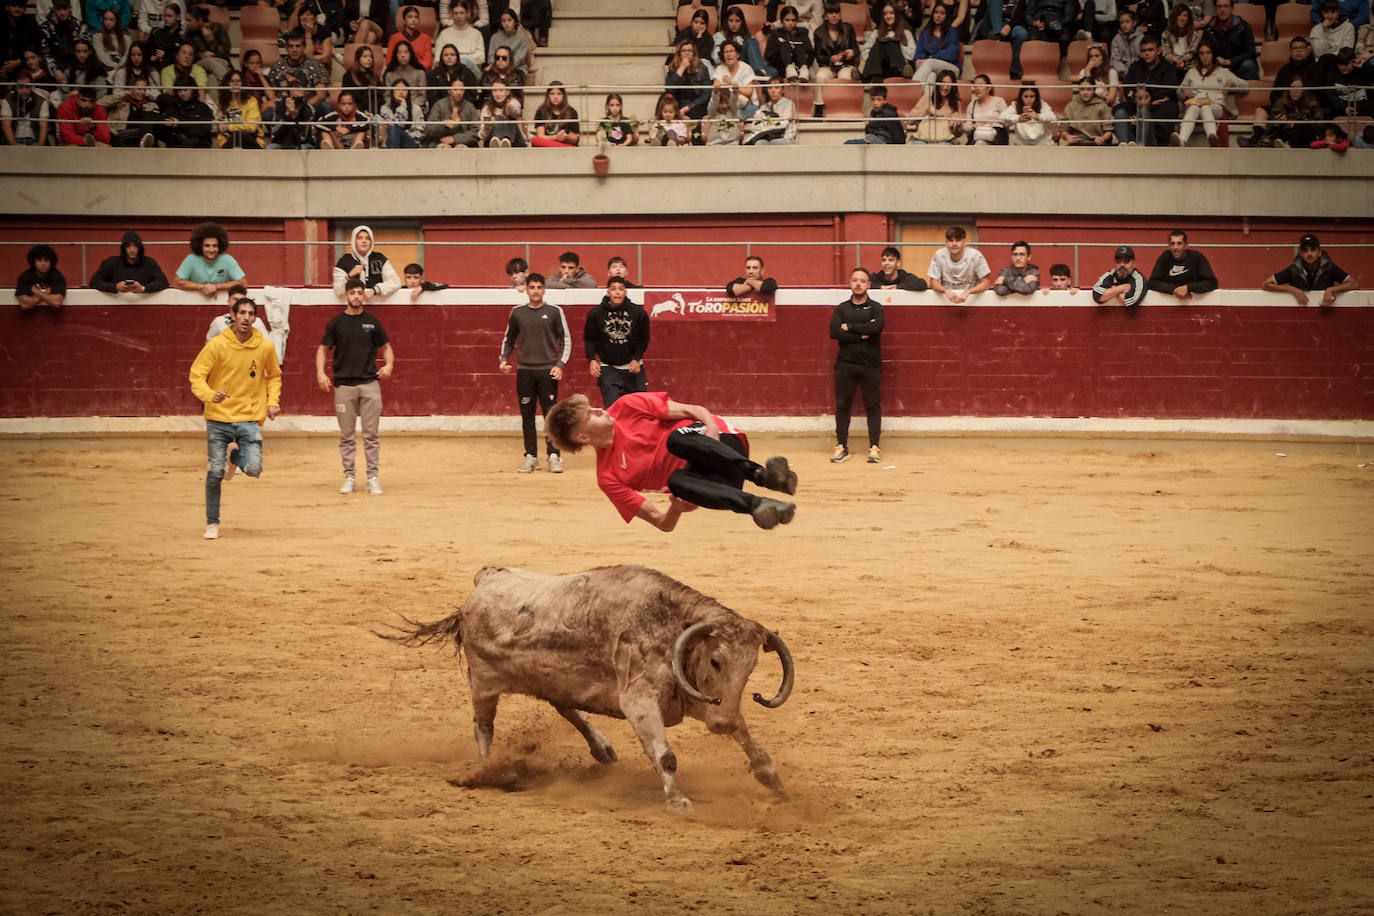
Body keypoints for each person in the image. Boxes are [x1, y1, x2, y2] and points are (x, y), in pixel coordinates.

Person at [544, 390, 799, 531]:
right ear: (583, 436)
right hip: (713, 483)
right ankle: (760, 505)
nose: (599, 409)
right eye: (590, 414)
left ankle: (763, 476)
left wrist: (710, 426)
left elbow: (692, 410)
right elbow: (661, 523)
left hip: (719, 442)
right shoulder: (609, 478)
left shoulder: (627, 405)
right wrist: (676, 508)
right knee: (677, 482)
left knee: (676, 439)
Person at [188, 295, 282, 540]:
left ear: (255, 318)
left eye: (251, 314)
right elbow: (196, 375)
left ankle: (235, 457)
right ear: (233, 315)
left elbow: (274, 375)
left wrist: (273, 402)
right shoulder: (217, 345)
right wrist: (209, 394)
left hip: (249, 417)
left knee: (253, 469)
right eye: (242, 313)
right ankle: (212, 522)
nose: (247, 318)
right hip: (219, 417)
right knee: (216, 472)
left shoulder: (265, 347)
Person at [317, 277, 393, 495]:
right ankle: (349, 476)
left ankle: (372, 477)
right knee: (347, 436)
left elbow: (386, 347)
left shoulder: (373, 322)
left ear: (363, 295)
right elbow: (322, 349)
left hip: (369, 384)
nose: (356, 296)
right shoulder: (336, 323)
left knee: (371, 435)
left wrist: (389, 365)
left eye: (360, 293)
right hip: (344, 387)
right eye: (353, 293)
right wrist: (320, 373)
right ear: (346, 295)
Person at [499, 271, 570, 474]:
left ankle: (554, 455)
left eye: (539, 287)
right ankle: (531, 456)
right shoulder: (517, 312)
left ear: (544, 289)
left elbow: (566, 339)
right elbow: (508, 339)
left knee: (550, 415)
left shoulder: (555, 311)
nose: (536, 291)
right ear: (526, 290)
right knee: (527, 416)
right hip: (525, 372)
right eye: (532, 287)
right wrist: (504, 359)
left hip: (548, 371)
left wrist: (560, 364)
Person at [830, 266, 885, 465]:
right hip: (845, 365)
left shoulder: (877, 307)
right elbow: (834, 331)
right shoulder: (842, 308)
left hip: (870, 366)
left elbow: (877, 326)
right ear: (850, 283)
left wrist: (851, 327)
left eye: (862, 281)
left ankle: (874, 446)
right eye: (855, 280)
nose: (858, 284)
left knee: (873, 405)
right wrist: (863, 334)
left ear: (869, 285)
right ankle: (842, 446)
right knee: (843, 405)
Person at [584, 275, 651, 407]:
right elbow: (589, 339)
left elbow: (643, 339)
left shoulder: (638, 313)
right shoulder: (595, 313)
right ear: (608, 292)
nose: (617, 292)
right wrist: (591, 359)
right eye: (613, 289)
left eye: (621, 289)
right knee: (613, 410)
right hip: (609, 368)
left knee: (638, 409)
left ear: (625, 292)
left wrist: (636, 358)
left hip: (632, 368)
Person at [1171, 38, 1246, 146]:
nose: (1205, 56)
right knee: (1196, 107)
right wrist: (1184, 92)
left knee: (1204, 106)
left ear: (1213, 54)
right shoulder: (1192, 72)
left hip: (1216, 107)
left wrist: (1230, 86)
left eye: (1208, 53)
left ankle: (1210, 137)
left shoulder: (1223, 72)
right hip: (1196, 106)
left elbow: (1245, 86)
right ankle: (1184, 141)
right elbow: (1179, 93)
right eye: (1202, 53)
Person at [1262, 233, 1359, 307]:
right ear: (1300, 253)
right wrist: (1292, 290)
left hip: (1327, 317)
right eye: (1305, 250)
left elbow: (1354, 284)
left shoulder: (1329, 267)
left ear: (1319, 252)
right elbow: (1265, 284)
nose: (1309, 253)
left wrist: (1331, 290)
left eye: (1313, 249)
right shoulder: (1293, 269)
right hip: (1299, 318)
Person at [1116, 35, 1180, 145]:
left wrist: (1147, 101)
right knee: (1120, 112)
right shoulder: (1135, 67)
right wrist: (1137, 100)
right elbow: (1128, 90)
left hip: (1158, 116)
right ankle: (1124, 145)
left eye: (1150, 50)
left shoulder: (1168, 68)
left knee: (1143, 113)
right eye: (1144, 50)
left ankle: (1140, 146)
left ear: (1158, 51)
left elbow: (1168, 91)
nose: (1146, 53)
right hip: (1135, 107)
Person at [812, 0, 860, 116]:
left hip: (845, 65)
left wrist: (852, 52)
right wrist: (831, 59)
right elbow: (818, 57)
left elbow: (857, 49)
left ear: (840, 14)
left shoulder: (848, 28)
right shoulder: (818, 32)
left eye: (836, 12)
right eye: (830, 12)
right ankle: (819, 109)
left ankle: (846, 107)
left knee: (845, 76)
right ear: (825, 16)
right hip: (828, 66)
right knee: (820, 77)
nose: (834, 15)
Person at [174, 222, 244, 297]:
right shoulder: (191, 259)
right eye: (207, 246)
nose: (211, 250)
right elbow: (177, 282)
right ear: (200, 246)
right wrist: (202, 287)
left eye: (215, 246)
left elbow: (242, 282)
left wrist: (216, 287)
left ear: (220, 246)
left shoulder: (227, 259)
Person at [332, 225, 401, 300]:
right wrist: (350, 275)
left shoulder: (379, 259)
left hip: (377, 304)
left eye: (367, 238)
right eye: (360, 238)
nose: (364, 241)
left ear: (371, 242)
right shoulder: (344, 261)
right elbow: (338, 290)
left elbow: (395, 282)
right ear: (353, 241)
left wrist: (375, 290)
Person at [1147, 230, 1218, 301]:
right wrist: (1174, 289)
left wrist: (1188, 288)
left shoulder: (1197, 257)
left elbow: (1212, 283)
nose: (1175, 247)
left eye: (1179, 243)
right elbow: (1152, 283)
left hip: (1194, 304)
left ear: (1186, 245)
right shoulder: (1165, 257)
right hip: (1169, 304)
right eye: (1172, 243)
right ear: (1169, 246)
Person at [90, 229, 168, 293]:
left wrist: (144, 288)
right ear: (124, 248)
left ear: (140, 248)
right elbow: (94, 282)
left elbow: (163, 282)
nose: (132, 250)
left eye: (135, 246)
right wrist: (115, 287)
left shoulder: (150, 263)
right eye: (128, 246)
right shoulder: (111, 263)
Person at [928, 226, 992, 304]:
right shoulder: (939, 255)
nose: (954, 244)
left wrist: (969, 292)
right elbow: (933, 282)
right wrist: (945, 290)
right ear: (946, 243)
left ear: (965, 242)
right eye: (951, 241)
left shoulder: (975, 255)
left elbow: (986, 283)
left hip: (972, 301)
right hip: (946, 301)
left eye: (958, 240)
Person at [911, 1, 961, 92]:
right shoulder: (925, 32)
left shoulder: (952, 31)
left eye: (942, 13)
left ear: (946, 16)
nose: (938, 15)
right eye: (936, 12)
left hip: (951, 68)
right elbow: (919, 51)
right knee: (931, 76)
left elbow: (951, 54)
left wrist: (931, 58)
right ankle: (926, 103)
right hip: (929, 68)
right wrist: (919, 61)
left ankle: (913, 93)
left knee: (929, 63)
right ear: (932, 14)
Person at [1201, 0, 1257, 81]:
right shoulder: (1209, 28)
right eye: (1219, 6)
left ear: (1231, 8)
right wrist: (1214, 59)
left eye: (1226, 6)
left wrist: (1230, 61)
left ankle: (1254, 92)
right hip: (1216, 67)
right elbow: (1203, 48)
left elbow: (1251, 52)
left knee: (1249, 65)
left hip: (1238, 66)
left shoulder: (1243, 26)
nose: (1222, 9)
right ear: (1215, 9)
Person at [424, 75, 479, 147]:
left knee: (460, 147)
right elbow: (428, 130)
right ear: (449, 91)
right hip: (440, 141)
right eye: (455, 89)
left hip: (464, 142)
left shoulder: (470, 107)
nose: (459, 93)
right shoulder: (439, 105)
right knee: (445, 147)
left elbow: (475, 132)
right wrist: (442, 125)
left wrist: (455, 139)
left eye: (461, 90)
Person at [665, 38, 713, 119]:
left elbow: (706, 94)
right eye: (684, 51)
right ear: (679, 53)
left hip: (695, 103)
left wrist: (686, 108)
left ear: (694, 53)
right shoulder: (673, 67)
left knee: (695, 111)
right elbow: (669, 89)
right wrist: (682, 68)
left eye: (690, 50)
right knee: (663, 99)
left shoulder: (702, 68)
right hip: (677, 102)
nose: (686, 53)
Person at [908, 69, 959, 143]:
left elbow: (958, 134)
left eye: (949, 84)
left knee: (944, 146)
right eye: (942, 83)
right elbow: (910, 119)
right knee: (918, 145)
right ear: (937, 84)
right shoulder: (926, 98)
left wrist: (956, 125)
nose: (945, 87)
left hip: (944, 139)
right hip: (923, 137)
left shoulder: (955, 103)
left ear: (953, 87)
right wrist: (926, 109)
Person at [766, 4, 814, 81]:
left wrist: (795, 49)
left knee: (799, 45)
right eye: (787, 20)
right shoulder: (775, 33)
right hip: (780, 66)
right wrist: (786, 49)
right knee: (785, 44)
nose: (790, 23)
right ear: (782, 20)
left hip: (800, 65)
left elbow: (810, 53)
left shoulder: (803, 33)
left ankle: (803, 70)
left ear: (797, 21)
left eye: (793, 20)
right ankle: (790, 68)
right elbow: (768, 55)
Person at [956, 74, 1008, 145]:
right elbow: (966, 127)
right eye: (975, 86)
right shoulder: (972, 105)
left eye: (980, 85)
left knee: (980, 143)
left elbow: (1008, 121)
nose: (977, 88)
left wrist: (996, 119)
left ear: (988, 88)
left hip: (996, 137)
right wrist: (974, 126)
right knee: (980, 142)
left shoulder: (999, 101)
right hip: (978, 135)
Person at [743, 76, 797, 144]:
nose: (773, 91)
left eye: (777, 87)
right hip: (766, 137)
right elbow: (755, 126)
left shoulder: (789, 104)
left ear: (782, 89)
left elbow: (783, 124)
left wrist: (765, 126)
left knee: (773, 143)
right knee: (759, 143)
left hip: (784, 137)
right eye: (770, 88)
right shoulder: (763, 107)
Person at [1061, 77, 1115, 144]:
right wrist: (1067, 136)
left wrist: (1103, 138)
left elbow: (1109, 130)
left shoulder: (1102, 106)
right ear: (1079, 90)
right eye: (1082, 89)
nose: (1085, 92)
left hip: (1097, 144)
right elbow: (1063, 130)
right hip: (1077, 143)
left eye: (1089, 89)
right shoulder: (1070, 106)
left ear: (1094, 90)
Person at [184, 4, 228, 86]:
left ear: (199, 20)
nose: (187, 23)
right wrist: (202, 55)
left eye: (189, 20)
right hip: (198, 64)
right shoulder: (189, 33)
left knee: (212, 78)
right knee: (209, 61)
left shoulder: (218, 28)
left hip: (219, 64)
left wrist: (210, 39)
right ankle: (227, 84)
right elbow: (188, 54)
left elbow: (225, 52)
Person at [14, 244, 67, 310]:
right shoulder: (25, 277)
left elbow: (56, 302)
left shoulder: (58, 276)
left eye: (46, 260)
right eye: (39, 260)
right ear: (34, 262)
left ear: (51, 262)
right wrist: (46, 294)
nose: (43, 263)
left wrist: (37, 292)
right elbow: (25, 305)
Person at [2, 79, 51, 147]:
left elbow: (44, 127)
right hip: (13, 141)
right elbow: (6, 126)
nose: (24, 91)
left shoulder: (41, 101)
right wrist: (15, 146)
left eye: (27, 87)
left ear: (32, 87)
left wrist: (39, 148)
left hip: (34, 141)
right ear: (15, 88)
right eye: (21, 87)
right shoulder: (7, 100)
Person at [478, 78, 526, 146]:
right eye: (495, 91)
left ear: (507, 92)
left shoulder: (513, 102)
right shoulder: (487, 108)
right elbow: (481, 136)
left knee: (503, 118)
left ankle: (506, 141)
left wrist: (509, 108)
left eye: (501, 90)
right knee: (496, 119)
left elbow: (517, 113)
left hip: (514, 141)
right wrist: (487, 126)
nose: (498, 94)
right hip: (492, 141)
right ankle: (497, 142)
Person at [377, 79, 424, 148]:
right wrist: (403, 106)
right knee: (393, 129)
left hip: (411, 142)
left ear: (408, 92)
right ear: (392, 91)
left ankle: (392, 157)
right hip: (390, 141)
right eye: (398, 89)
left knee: (394, 131)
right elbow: (395, 125)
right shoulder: (385, 108)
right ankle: (394, 156)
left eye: (404, 90)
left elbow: (420, 132)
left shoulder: (416, 108)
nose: (401, 92)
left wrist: (404, 134)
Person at [531, 80, 579, 147]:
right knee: (535, 140)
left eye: (559, 94)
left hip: (565, 144)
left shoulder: (571, 111)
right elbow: (540, 136)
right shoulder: (541, 111)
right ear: (548, 96)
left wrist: (566, 137)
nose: (555, 97)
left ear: (563, 96)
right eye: (552, 94)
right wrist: (556, 137)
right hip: (547, 143)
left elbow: (575, 139)